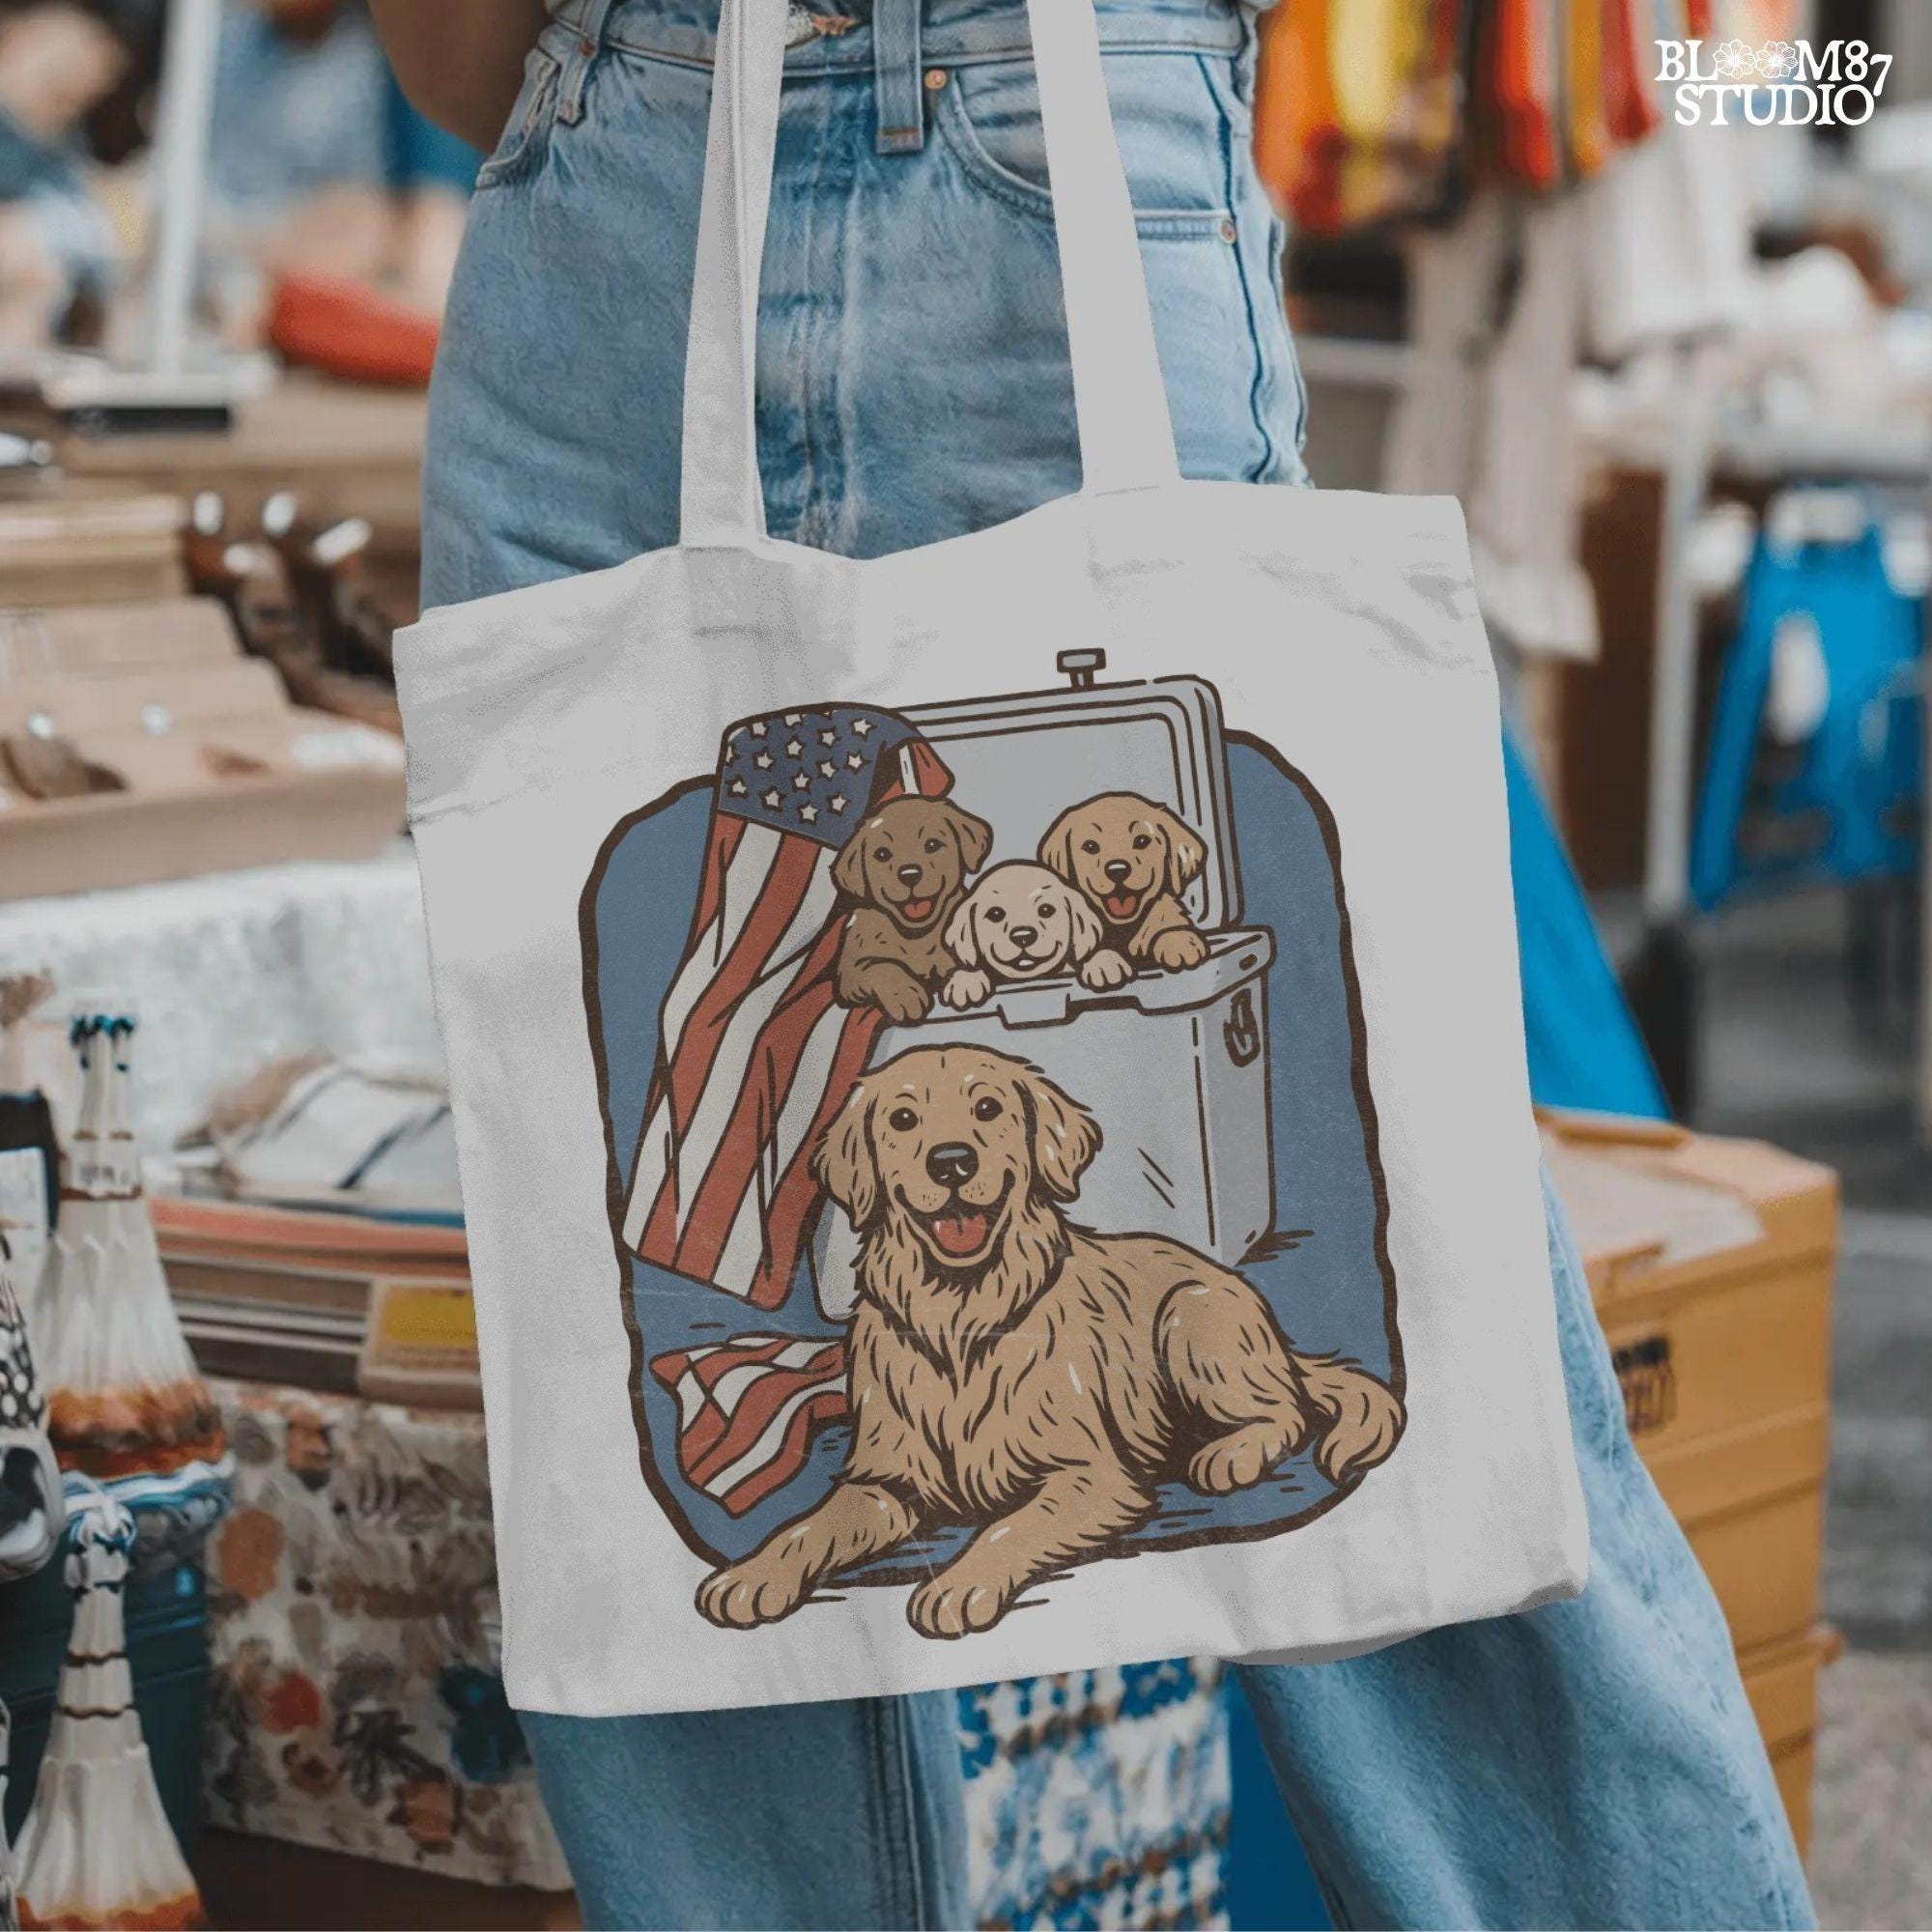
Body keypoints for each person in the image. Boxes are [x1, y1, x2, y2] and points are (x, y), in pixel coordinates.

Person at [372, 3, 1815, 1925]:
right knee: (658, 1413)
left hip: (1048, 154)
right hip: (604, 184)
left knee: (1396, 1332)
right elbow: (446, 57)